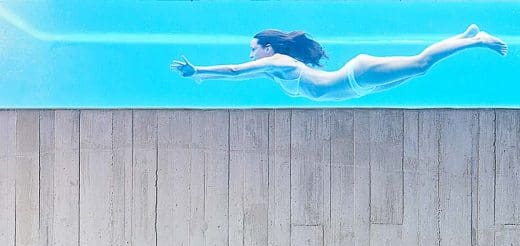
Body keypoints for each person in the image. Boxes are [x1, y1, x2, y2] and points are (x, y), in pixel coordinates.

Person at [171, 25, 507, 101]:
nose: (250, 55)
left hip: (358, 76)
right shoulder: (276, 67)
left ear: (268, 48)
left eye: (253, 49)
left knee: (420, 65)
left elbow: (234, 72)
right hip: (358, 88)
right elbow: (240, 74)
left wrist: (198, 71)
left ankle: (477, 40)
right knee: (421, 69)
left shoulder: (279, 63)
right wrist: (201, 77)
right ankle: (467, 34)